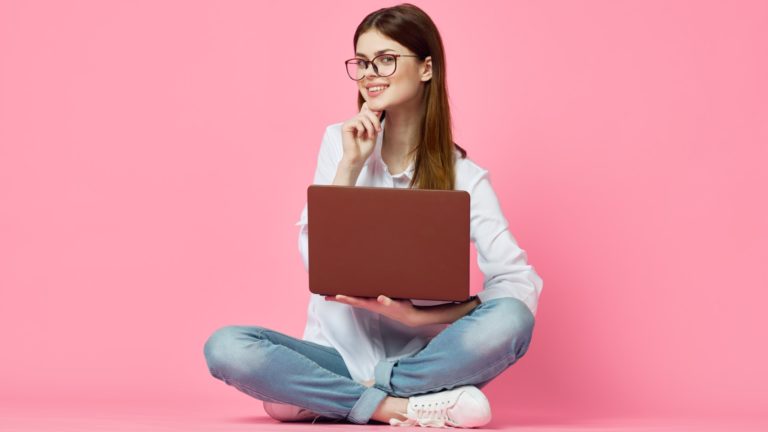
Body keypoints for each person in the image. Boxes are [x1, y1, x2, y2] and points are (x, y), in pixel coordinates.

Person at [203, 3, 543, 428]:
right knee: (228, 346)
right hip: (336, 357)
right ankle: (400, 408)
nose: (369, 73)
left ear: (426, 68)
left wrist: (420, 317)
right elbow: (316, 262)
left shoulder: (465, 177)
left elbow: (517, 283)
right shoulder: (339, 143)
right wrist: (350, 165)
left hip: (423, 360)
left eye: (385, 59)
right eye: (362, 62)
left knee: (512, 319)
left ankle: (340, 397)